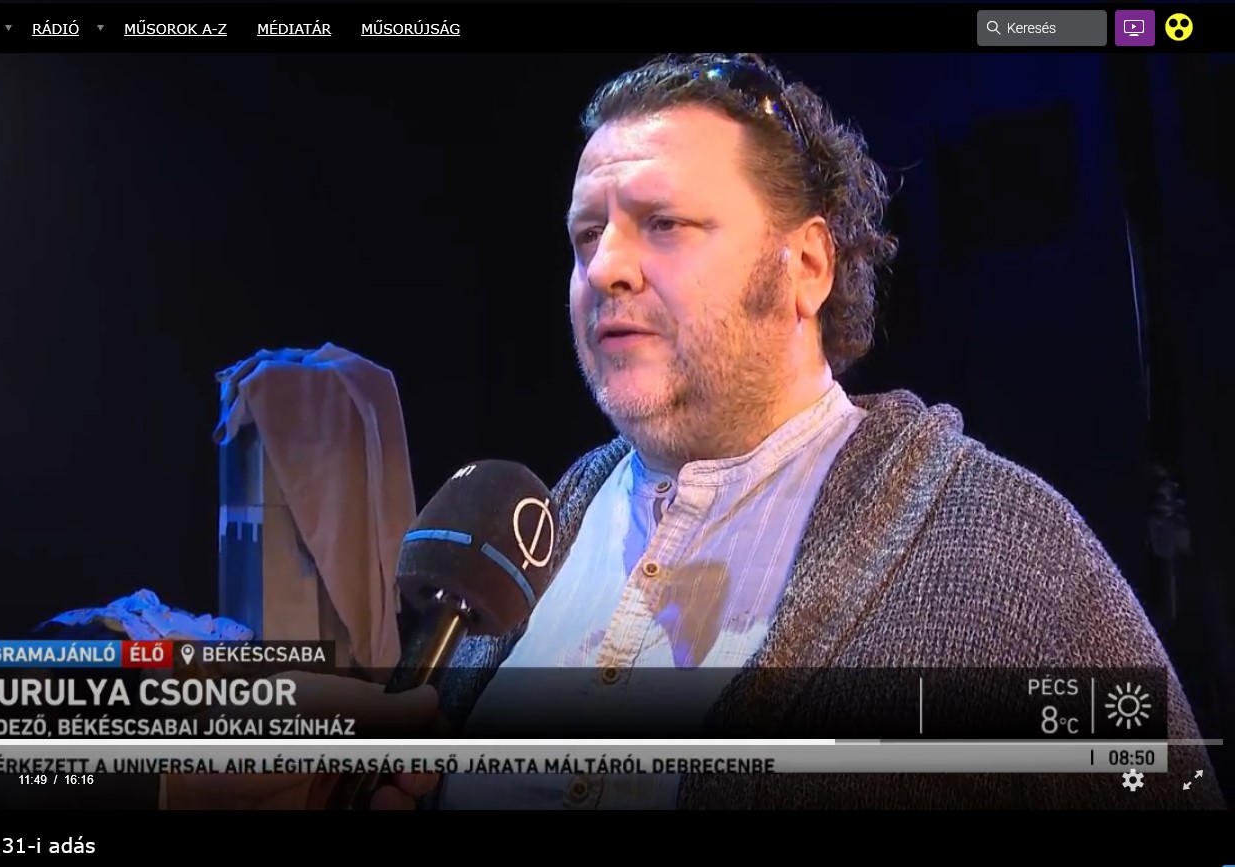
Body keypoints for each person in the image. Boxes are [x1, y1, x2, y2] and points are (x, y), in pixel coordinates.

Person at [169, 52, 1222, 810]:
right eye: (587, 235)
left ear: (806, 266)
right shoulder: (537, 531)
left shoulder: (1002, 549)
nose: (605, 268)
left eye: (664, 223)